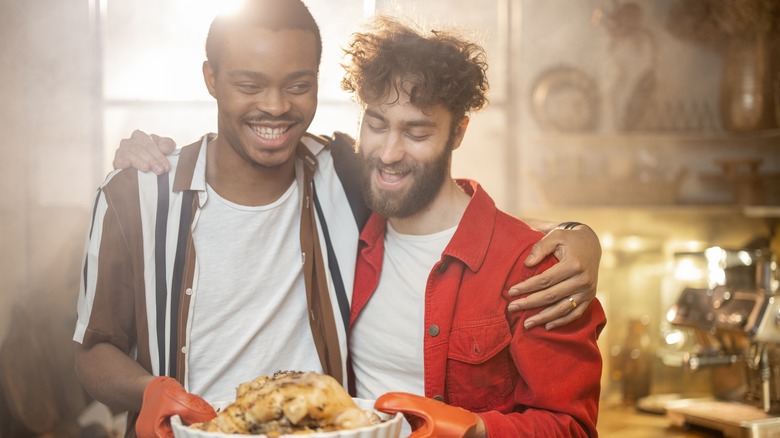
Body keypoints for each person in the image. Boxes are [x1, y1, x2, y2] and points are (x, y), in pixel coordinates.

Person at [75, 0, 601, 436]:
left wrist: (579, 236)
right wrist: (148, 390)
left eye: (298, 84)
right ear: (211, 79)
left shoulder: (343, 178)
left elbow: (466, 226)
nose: (275, 106)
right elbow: (92, 347)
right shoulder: (137, 195)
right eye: (249, 84)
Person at [339, 18, 606, 437]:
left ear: (458, 133)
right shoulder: (346, 225)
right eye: (376, 125)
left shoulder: (534, 268)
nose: (389, 153)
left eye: (417, 131)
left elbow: (570, 427)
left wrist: (472, 429)